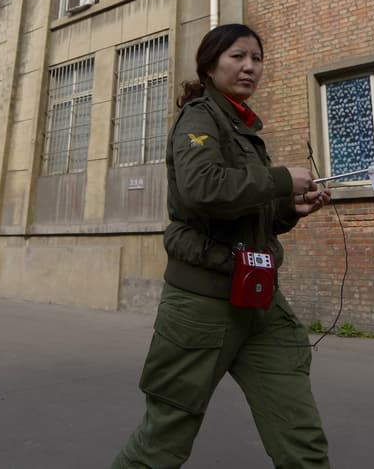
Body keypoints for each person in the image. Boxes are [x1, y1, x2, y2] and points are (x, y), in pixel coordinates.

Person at [112, 23, 332, 469]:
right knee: (164, 439)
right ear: (210, 65)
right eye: (238, 56)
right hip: (202, 304)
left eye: (257, 58)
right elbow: (201, 190)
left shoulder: (241, 127)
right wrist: (279, 179)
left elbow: (244, 212)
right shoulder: (199, 118)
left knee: (301, 437)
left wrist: (289, 208)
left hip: (257, 302)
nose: (250, 66)